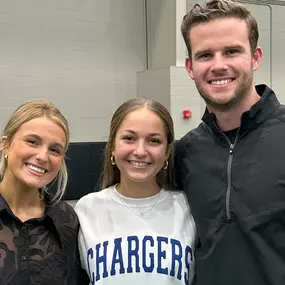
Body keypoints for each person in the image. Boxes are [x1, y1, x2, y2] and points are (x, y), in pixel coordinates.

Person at [175, 0, 285, 284]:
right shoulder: (186, 151)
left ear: (255, 57)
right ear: (190, 66)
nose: (218, 65)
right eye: (205, 55)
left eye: (232, 51)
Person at [75, 98, 196, 285]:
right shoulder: (86, 209)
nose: (140, 151)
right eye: (129, 138)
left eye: (154, 141)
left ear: (167, 152)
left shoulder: (188, 208)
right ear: (113, 147)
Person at [0, 100, 89, 284]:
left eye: (54, 150)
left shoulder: (66, 220)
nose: (42, 157)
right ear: (6, 144)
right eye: (32, 142)